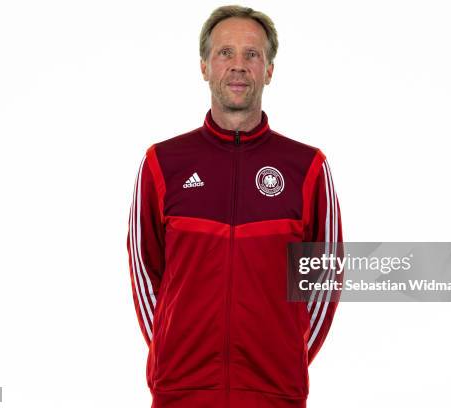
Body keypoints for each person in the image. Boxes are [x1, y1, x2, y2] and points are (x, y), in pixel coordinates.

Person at [127, 5, 343, 407]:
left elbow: (324, 277)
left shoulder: (307, 167)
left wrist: (287, 358)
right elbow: (145, 270)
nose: (239, 66)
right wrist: (172, 353)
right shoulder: (162, 163)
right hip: (181, 392)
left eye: (252, 54)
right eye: (225, 53)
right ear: (205, 67)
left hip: (275, 393)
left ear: (270, 70)